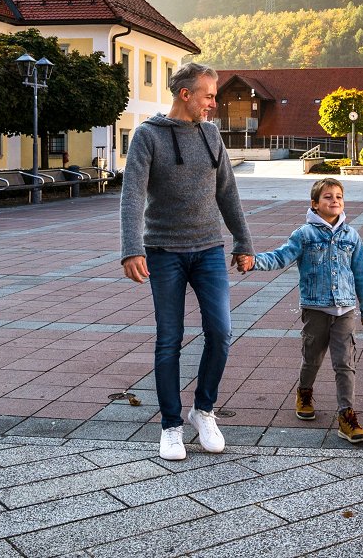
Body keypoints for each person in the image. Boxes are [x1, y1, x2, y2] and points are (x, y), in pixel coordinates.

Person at [120, 61, 254, 462]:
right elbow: (132, 196)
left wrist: (243, 242)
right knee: (169, 340)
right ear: (186, 94)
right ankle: (171, 426)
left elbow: (227, 193)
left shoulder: (212, 135)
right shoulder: (147, 136)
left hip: (209, 249)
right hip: (163, 252)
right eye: (209, 95)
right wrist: (132, 248)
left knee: (221, 332)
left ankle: (203, 410)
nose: (213, 103)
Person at [250, 178, 363, 444]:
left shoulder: (351, 236)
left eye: (339, 196)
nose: (335, 201)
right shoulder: (304, 235)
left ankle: (346, 415)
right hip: (315, 309)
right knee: (312, 358)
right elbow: (280, 257)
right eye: (328, 197)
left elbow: (362, 274)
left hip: (345, 310)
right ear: (315, 204)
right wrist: (254, 261)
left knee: (345, 364)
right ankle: (305, 392)